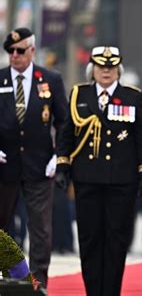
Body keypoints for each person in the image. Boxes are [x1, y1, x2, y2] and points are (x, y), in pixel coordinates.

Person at [55, 46, 142, 296]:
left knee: (116, 241)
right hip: (87, 178)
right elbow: (67, 133)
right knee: (89, 240)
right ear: (93, 69)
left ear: (118, 70)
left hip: (122, 181)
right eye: (101, 66)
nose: (106, 71)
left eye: (111, 67)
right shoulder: (80, 94)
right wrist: (62, 166)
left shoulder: (132, 96)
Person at [0, 28, 68, 287]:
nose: (14, 56)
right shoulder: (0, 79)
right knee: (2, 227)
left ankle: (39, 283)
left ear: (32, 50)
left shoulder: (50, 79)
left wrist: (58, 157)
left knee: (40, 230)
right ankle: (7, 278)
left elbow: (64, 122)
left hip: (40, 166)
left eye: (19, 50)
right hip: (4, 166)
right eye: (10, 51)